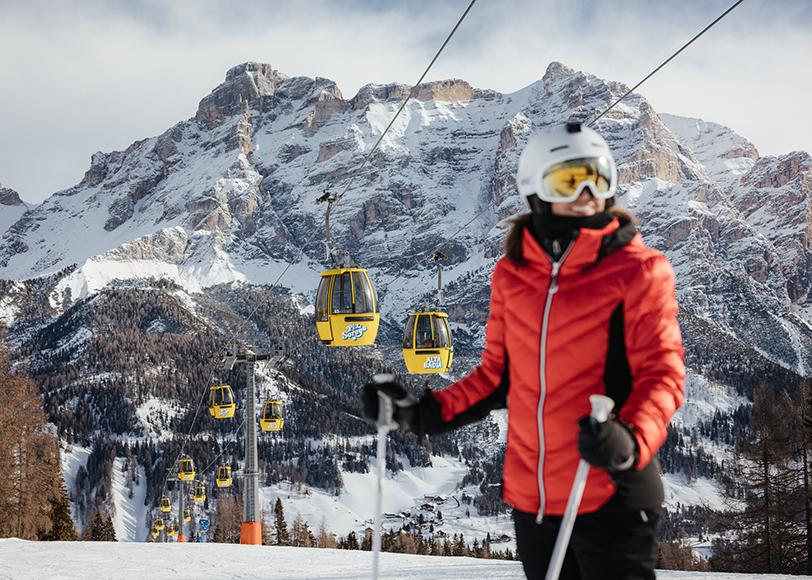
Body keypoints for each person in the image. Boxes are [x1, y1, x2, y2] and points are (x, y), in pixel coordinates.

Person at [362, 122, 685, 580]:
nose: (588, 191)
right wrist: (420, 413)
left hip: (612, 491)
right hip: (534, 501)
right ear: (536, 189)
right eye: (569, 180)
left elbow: (664, 375)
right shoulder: (512, 275)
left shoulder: (640, 270)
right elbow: (496, 377)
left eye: (599, 176)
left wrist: (630, 440)